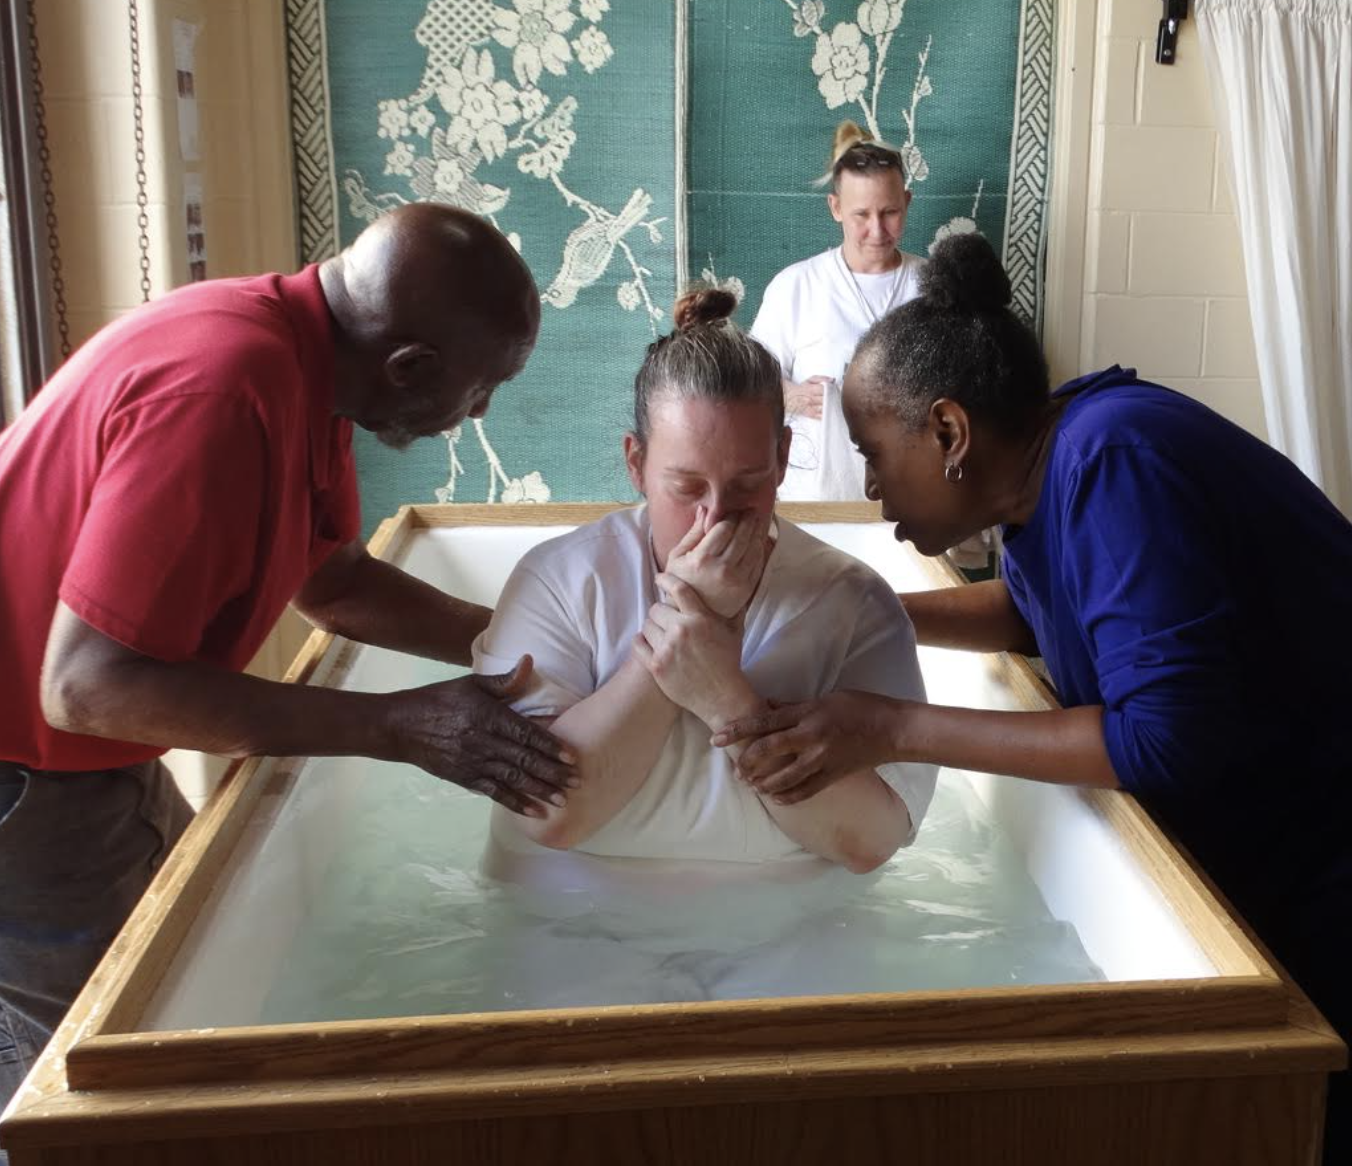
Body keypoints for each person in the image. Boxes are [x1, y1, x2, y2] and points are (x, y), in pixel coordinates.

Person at [717, 232, 1352, 1162]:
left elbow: (1165, 738)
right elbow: (1037, 611)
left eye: (873, 452)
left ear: (949, 432)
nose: (870, 483)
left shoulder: (1114, 459)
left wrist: (891, 727)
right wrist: (866, 616)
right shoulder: (1048, 469)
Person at [0, 204, 577, 1124]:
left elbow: (336, 585)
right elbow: (88, 688)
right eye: (482, 389)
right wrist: (398, 727)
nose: (480, 413)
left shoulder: (308, 360)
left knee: (178, 997)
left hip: (74, 759)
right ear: (409, 366)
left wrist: (536, 647)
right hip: (26, 777)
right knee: (121, 1097)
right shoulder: (224, 390)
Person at [473, 288, 936, 878]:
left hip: (787, 926)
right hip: (570, 917)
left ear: (782, 456)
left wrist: (725, 698)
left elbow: (872, 840)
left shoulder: (853, 603)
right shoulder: (560, 581)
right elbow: (546, 816)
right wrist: (679, 643)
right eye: (687, 488)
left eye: (747, 484)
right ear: (636, 464)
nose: (715, 516)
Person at [750, 120, 923, 501]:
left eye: (890, 212)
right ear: (836, 208)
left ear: (907, 203)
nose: (877, 230)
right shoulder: (796, 286)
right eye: (862, 215)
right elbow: (749, 385)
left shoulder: (932, 285)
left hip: (913, 495)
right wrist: (795, 397)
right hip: (815, 502)